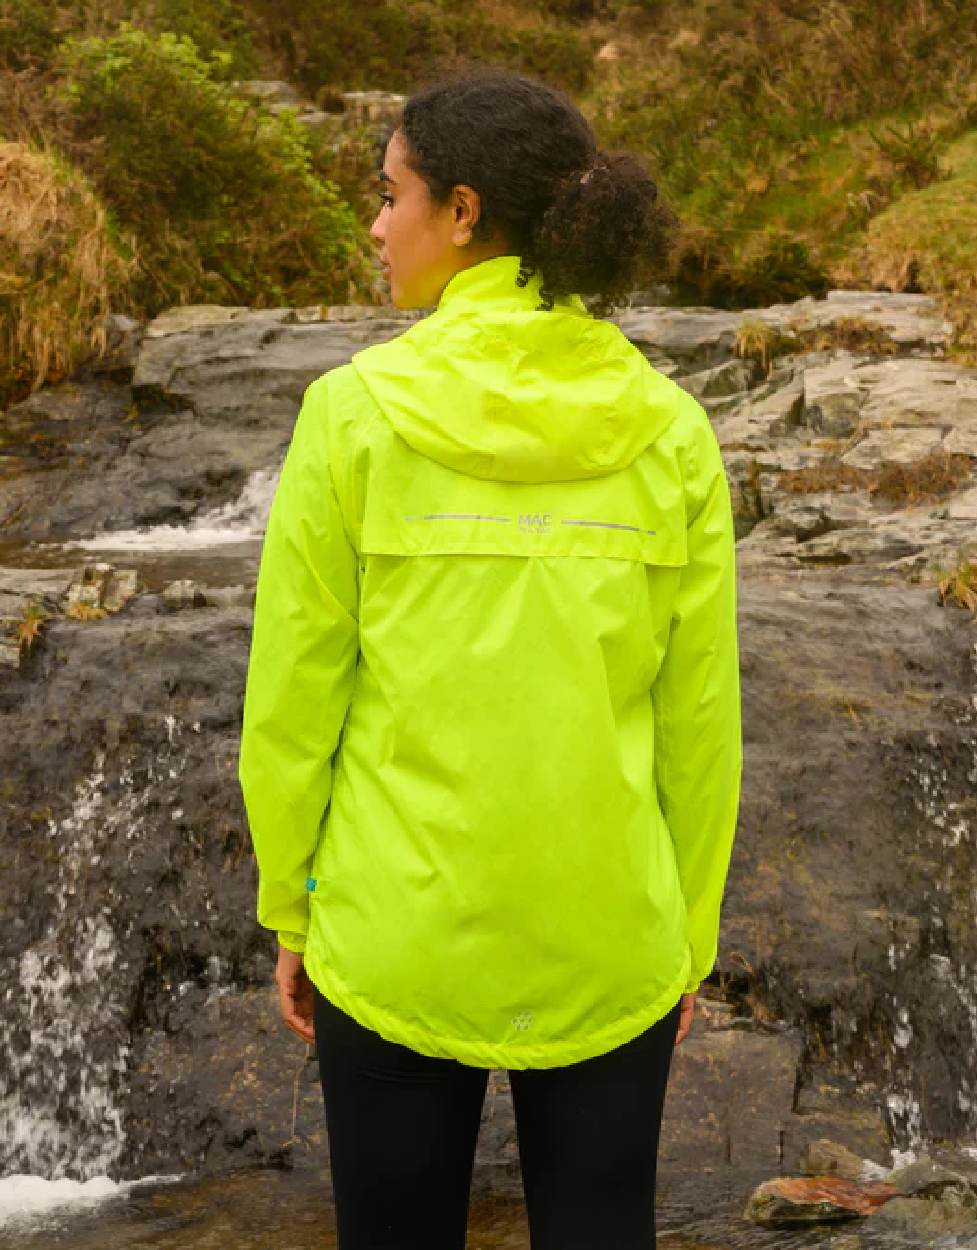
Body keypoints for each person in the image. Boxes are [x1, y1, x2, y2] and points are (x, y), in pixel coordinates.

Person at [239, 66, 741, 1250]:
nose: (373, 222)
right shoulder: (669, 429)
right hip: (608, 940)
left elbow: (293, 705)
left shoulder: (350, 415)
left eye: (390, 192)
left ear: (461, 213)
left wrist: (290, 907)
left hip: (393, 937)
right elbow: (700, 718)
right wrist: (689, 938)